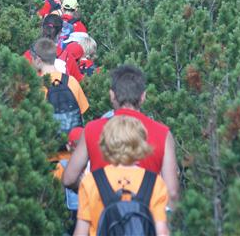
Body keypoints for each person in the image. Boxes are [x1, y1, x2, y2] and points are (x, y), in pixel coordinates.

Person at [62, 65, 180, 207]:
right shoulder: (163, 134)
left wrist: (92, 191)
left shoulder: (92, 130)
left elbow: (69, 178)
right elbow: (172, 193)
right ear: (143, 96)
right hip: (145, 214)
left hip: (103, 214)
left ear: (112, 95)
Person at [73, 116, 170, 236]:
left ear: (106, 144)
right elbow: (162, 232)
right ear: (141, 145)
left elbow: (81, 232)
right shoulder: (155, 182)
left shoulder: (91, 181)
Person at [30, 37, 89, 124]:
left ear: (38, 60)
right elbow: (82, 113)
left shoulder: (36, 86)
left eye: (32, 58)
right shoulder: (71, 81)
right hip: (72, 130)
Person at [51, 127, 85, 233]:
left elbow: (55, 193)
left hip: (68, 217)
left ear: (68, 146)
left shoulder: (61, 166)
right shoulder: (90, 165)